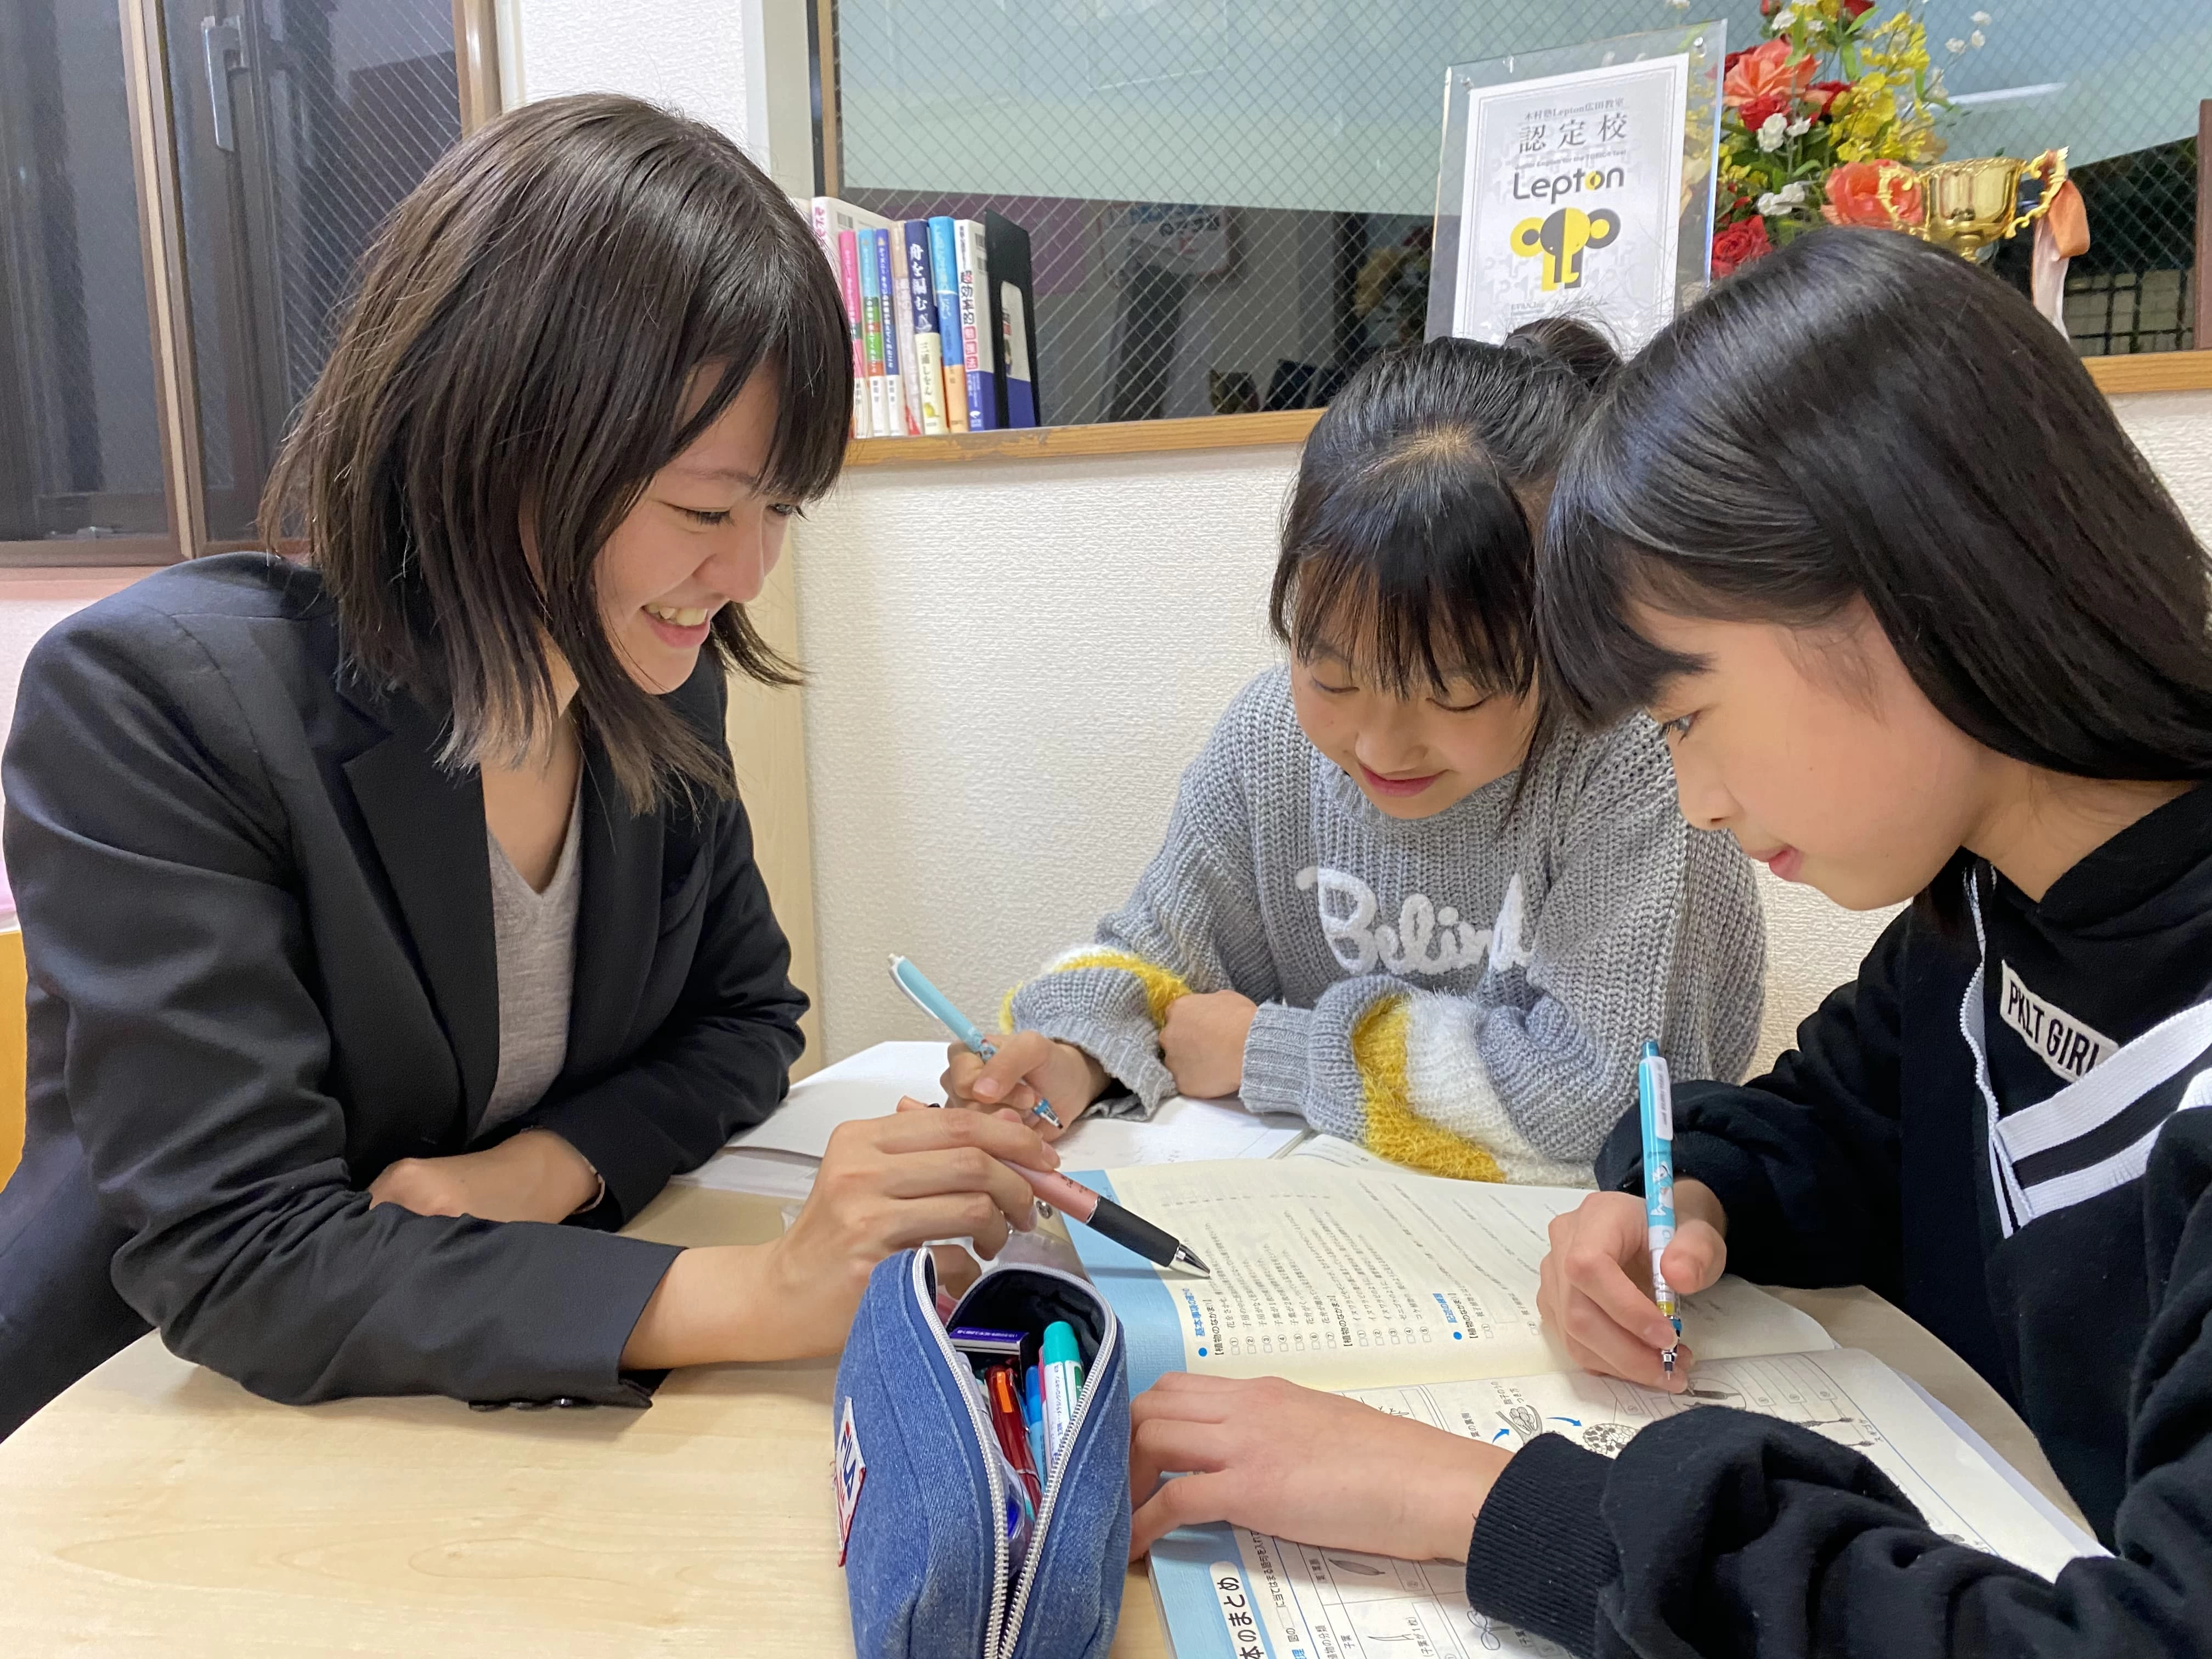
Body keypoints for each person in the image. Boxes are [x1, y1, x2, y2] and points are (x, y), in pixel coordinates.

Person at [1123, 229, 2212, 1656]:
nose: (1694, 798)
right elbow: (1833, 1127)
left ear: (1902, 593)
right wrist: (1692, 1198)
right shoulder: (1991, 904)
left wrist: (1492, 1504)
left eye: (1686, 716)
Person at [0, 94, 1057, 1440]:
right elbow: (243, 1252)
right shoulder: (159, 704)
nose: (743, 576)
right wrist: (767, 1292)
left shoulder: (661, 683)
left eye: (778, 510)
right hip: (135, 1420)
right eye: (701, 508)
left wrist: (541, 1167)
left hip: (449, 1412)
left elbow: (742, 1020)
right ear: (498, 440)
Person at [945, 327, 1763, 1184]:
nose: (1379, 745)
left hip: (1576, 1250)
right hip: (1326, 1231)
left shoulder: (1636, 762)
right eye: (1331, 677)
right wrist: (1076, 1051)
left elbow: (1603, 1101)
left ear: (1565, 635)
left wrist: (1276, 1053)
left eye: (1454, 695)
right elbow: (1156, 953)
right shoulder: (1269, 739)